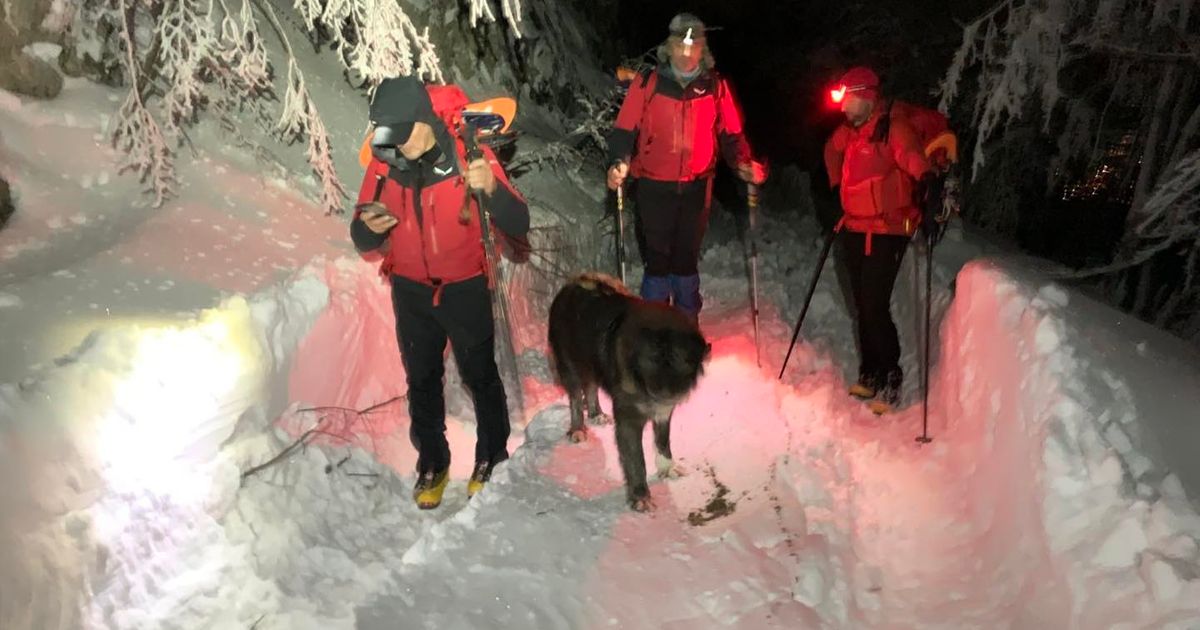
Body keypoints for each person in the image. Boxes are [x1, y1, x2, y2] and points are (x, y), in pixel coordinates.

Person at [350, 76, 530, 509]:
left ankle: (492, 453)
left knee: (479, 374)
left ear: (425, 120)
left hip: (465, 286)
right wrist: (367, 230)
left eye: (400, 133)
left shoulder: (470, 156)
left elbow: (519, 223)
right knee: (422, 379)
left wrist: (489, 189)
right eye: (384, 133)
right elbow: (361, 236)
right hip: (410, 290)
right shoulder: (385, 161)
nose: (392, 144)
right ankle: (433, 460)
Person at [606, 12, 765, 323]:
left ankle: (685, 329)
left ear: (702, 49)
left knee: (686, 260)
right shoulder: (648, 83)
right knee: (658, 260)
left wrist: (744, 163)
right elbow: (624, 130)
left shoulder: (715, 86)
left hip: (696, 186)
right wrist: (618, 161)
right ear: (670, 46)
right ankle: (653, 328)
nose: (687, 53)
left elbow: (731, 134)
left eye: (694, 47)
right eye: (681, 45)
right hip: (653, 185)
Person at [823, 65, 939, 414]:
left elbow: (914, 160)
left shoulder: (894, 128)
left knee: (874, 304)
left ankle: (891, 375)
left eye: (849, 100)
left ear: (867, 98)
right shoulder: (850, 130)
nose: (843, 108)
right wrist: (833, 189)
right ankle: (870, 372)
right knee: (862, 304)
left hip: (888, 231)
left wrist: (930, 186)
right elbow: (830, 150)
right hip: (855, 228)